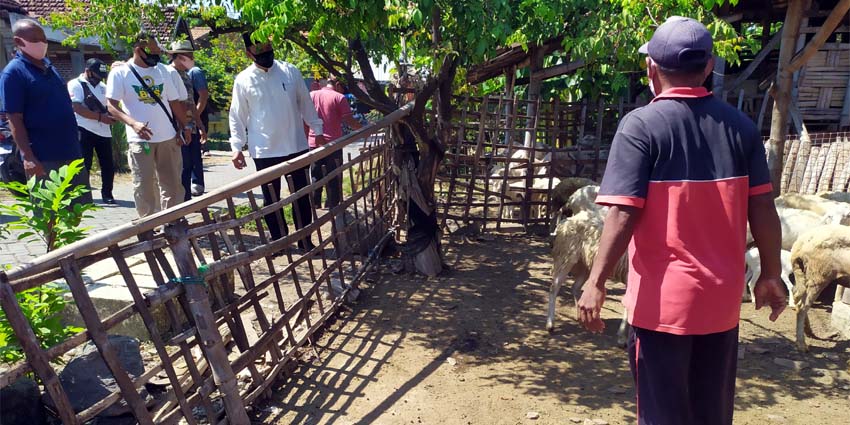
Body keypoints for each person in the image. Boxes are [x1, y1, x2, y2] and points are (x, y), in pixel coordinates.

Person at [575, 16, 786, 425]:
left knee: (662, 415)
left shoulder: (641, 126)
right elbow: (763, 207)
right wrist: (771, 274)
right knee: (711, 413)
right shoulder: (741, 128)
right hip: (722, 305)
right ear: (708, 68)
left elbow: (623, 211)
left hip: (662, 308)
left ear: (651, 69)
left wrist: (596, 282)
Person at [229, 32, 325, 250]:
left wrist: (317, 130)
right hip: (264, 149)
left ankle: (304, 239)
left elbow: (306, 103)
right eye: (259, 52)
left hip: (295, 145)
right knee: (271, 198)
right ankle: (280, 241)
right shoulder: (243, 79)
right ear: (248, 53)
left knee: (301, 194)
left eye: (267, 49)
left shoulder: (290, 71)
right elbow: (237, 115)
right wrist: (237, 147)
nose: (265, 55)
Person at [0, 19, 91, 204]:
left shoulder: (49, 67)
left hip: (70, 152)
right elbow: (14, 118)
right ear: (18, 42)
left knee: (77, 209)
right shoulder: (14, 73)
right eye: (35, 38)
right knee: (50, 214)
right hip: (43, 158)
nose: (41, 42)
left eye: (43, 38)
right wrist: (28, 156)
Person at [106, 32, 190, 217]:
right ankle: (148, 226)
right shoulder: (120, 73)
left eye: (158, 53)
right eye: (152, 53)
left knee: (173, 184)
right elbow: (111, 106)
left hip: (167, 138)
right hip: (140, 141)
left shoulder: (163, 71)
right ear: (138, 50)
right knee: (144, 186)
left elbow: (175, 102)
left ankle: (173, 222)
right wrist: (133, 123)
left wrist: (186, 126)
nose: (156, 57)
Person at [308, 75, 362, 209]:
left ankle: (315, 205)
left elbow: (304, 119)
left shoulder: (311, 95)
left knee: (316, 175)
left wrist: (307, 137)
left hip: (314, 143)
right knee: (333, 176)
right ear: (338, 85)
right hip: (333, 143)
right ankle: (332, 206)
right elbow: (349, 120)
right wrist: (364, 128)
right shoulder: (339, 97)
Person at [68, 58, 117, 204]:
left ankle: (107, 194)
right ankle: (83, 196)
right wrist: (100, 117)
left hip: (104, 131)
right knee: (84, 165)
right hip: (84, 129)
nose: (99, 79)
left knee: (108, 165)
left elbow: (111, 105)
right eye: (96, 75)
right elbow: (77, 108)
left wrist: (112, 116)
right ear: (88, 71)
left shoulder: (103, 86)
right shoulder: (76, 84)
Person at [166, 40, 207, 202]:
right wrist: (182, 127)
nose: (191, 58)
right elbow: (174, 104)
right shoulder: (169, 74)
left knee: (190, 164)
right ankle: (180, 202)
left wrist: (200, 124)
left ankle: (186, 200)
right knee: (181, 166)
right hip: (178, 127)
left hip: (190, 126)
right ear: (179, 56)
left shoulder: (186, 75)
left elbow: (190, 101)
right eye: (188, 56)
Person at [188, 56, 210, 191]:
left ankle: (197, 182)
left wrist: (195, 117)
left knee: (194, 151)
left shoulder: (194, 72)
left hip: (196, 118)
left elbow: (203, 96)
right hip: (185, 119)